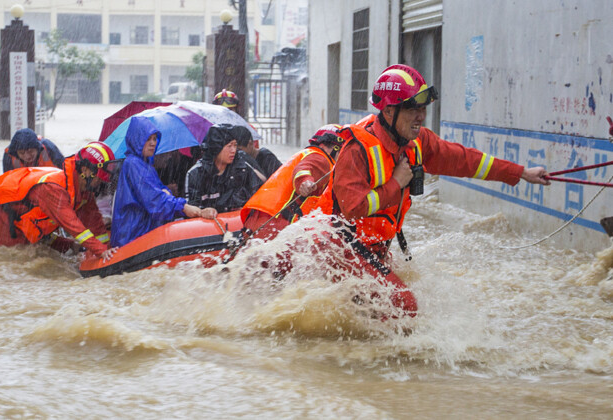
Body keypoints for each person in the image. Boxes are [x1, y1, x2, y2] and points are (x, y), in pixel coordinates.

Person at [318, 64, 550, 316]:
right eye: (412, 109)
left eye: (422, 108)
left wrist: (519, 172)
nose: (420, 116)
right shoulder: (356, 149)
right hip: (342, 248)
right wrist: (396, 183)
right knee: (405, 306)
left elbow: (464, 160)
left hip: (372, 250)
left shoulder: (418, 142)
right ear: (388, 110)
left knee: (391, 306)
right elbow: (352, 209)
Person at [0, 142, 118, 260]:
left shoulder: (83, 189)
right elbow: (72, 224)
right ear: (85, 171)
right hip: (2, 213)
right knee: (20, 255)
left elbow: (92, 218)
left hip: (26, 213)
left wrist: (105, 246)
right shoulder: (54, 189)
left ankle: (68, 245)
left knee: (49, 244)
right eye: (99, 178)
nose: (100, 182)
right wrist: (100, 250)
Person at [111, 116, 217, 248]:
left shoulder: (145, 165)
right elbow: (155, 200)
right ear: (137, 139)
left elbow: (159, 195)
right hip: (133, 234)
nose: (153, 143)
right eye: (148, 139)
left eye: (155, 138)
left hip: (141, 229)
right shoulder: (133, 164)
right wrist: (184, 207)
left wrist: (170, 197)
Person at [241, 124, 347, 241]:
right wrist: (305, 182)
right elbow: (304, 169)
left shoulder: (306, 154)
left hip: (259, 219)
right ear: (335, 148)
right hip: (277, 224)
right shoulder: (321, 158)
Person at [185, 124, 265, 213]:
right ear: (216, 148)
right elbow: (192, 208)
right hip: (210, 224)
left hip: (239, 222)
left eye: (235, 145)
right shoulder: (196, 173)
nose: (233, 150)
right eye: (229, 146)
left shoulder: (241, 167)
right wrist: (203, 212)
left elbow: (259, 192)